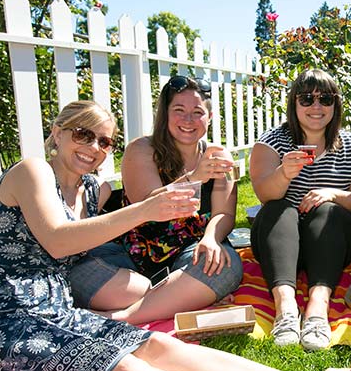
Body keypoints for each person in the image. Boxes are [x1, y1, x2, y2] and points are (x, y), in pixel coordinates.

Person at [0, 100, 351, 371]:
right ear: (56, 132)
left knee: (158, 346)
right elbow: (57, 241)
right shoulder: (32, 170)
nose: (93, 148)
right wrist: (145, 211)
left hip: (55, 312)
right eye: (82, 134)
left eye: (104, 142)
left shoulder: (92, 189)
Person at [70, 76, 243, 324]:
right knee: (80, 270)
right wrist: (195, 177)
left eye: (197, 112)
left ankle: (122, 317)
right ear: (164, 113)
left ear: (210, 117)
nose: (188, 120)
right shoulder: (142, 149)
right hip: (130, 254)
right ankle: (175, 297)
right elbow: (148, 204)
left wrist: (212, 238)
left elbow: (223, 213)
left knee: (226, 265)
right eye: (179, 110)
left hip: (190, 250)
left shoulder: (217, 154)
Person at [249, 69, 351, 351]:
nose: (316, 107)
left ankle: (317, 309)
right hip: (280, 244)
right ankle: (286, 309)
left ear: (335, 105)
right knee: (278, 208)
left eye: (325, 99)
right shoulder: (273, 142)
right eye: (306, 99)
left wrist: (332, 194)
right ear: (294, 104)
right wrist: (284, 173)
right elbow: (264, 194)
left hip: (331, 243)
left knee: (326, 210)